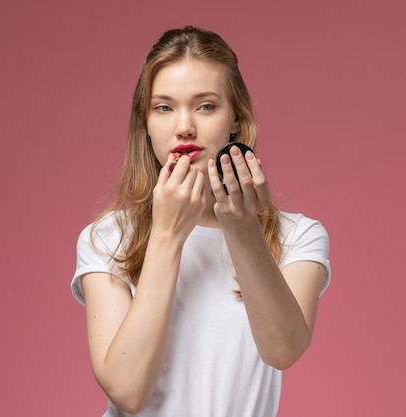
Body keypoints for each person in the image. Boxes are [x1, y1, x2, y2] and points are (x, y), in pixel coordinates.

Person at [71, 26, 331, 417]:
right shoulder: (107, 238)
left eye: (205, 106)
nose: (184, 126)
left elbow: (283, 350)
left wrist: (242, 226)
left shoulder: (298, 236)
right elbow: (126, 390)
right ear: (145, 123)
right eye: (164, 107)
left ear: (236, 120)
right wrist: (167, 233)